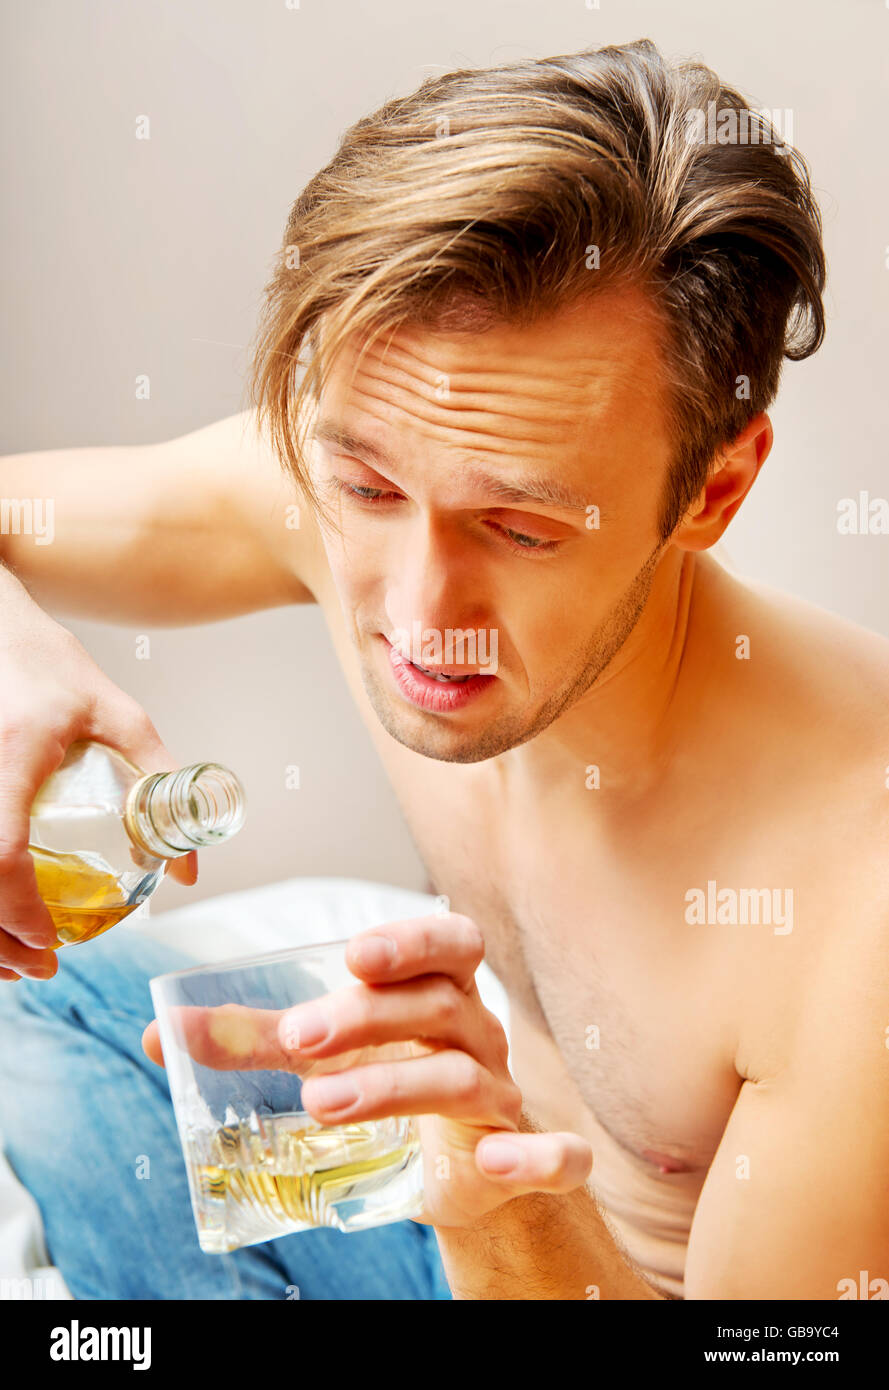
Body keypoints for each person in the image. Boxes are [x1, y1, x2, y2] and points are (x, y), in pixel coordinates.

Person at [1, 38, 886, 1301]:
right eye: (365, 487)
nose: (418, 617)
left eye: (518, 529)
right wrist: (17, 653)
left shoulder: (852, 906)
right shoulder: (357, 477)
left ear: (713, 488)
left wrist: (498, 1204)